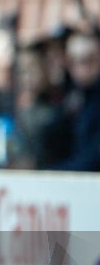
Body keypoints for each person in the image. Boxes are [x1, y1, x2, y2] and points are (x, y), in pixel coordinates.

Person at [50, 30, 100, 171]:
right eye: (73, 61)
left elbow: (93, 157)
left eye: (88, 60)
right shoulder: (69, 96)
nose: (80, 68)